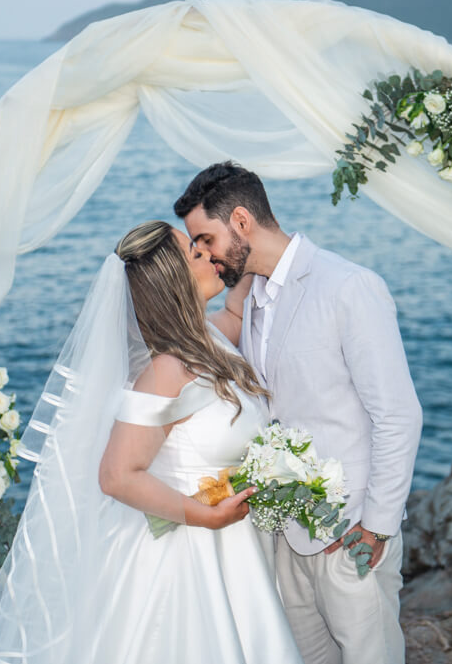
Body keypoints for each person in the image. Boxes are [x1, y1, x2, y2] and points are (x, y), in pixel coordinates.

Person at [0, 220, 304, 664]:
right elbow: (116, 474)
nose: (207, 254)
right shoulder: (167, 370)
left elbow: (240, 311)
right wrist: (204, 517)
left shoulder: (211, 338)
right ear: (172, 282)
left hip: (232, 550)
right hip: (182, 560)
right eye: (195, 253)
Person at [175, 162, 423, 664]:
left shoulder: (348, 287)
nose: (204, 255)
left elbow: (398, 416)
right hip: (283, 531)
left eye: (205, 239)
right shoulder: (255, 297)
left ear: (241, 222)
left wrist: (375, 527)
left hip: (349, 533)